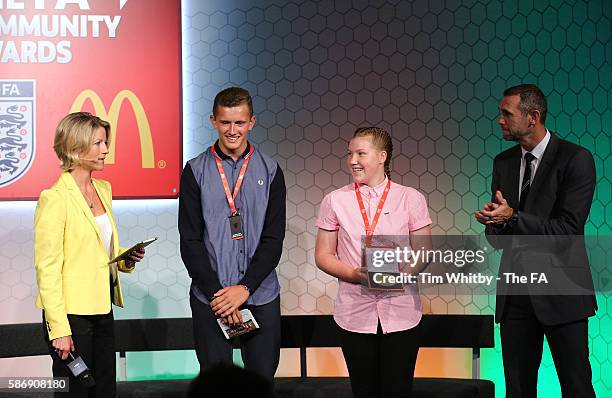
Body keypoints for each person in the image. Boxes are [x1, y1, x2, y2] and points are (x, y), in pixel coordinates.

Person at [475, 84, 597, 397]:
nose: (500, 120)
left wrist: (512, 217)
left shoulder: (575, 158)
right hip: (515, 296)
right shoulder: (503, 162)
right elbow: (497, 238)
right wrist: (495, 223)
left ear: (533, 117)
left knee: (577, 386)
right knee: (517, 389)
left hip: (563, 293)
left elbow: (568, 230)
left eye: (506, 113)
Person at [315, 127, 432, 398]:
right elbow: (323, 255)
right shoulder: (334, 200)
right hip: (355, 312)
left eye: (360, 153)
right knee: (363, 391)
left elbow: (424, 251)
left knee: (398, 390)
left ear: (382, 156)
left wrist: (403, 274)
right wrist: (355, 274)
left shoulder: (410, 197)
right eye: (350, 153)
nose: (352, 160)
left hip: (402, 311)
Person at [34, 112, 145, 396]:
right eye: (98, 143)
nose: (105, 150)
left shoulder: (103, 189)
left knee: (105, 390)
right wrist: (59, 329)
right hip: (71, 316)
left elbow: (96, 248)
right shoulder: (54, 198)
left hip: (103, 309)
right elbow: (47, 268)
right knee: (75, 392)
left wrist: (124, 257)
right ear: (75, 147)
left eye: (105, 142)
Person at [179, 87, 286, 380]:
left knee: (262, 382)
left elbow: (273, 240)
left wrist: (244, 289)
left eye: (239, 123)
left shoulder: (272, 170)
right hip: (210, 298)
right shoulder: (195, 170)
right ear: (213, 120)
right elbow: (189, 241)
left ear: (252, 122)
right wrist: (220, 297)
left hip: (260, 294)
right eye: (225, 122)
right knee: (215, 385)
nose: (232, 130)